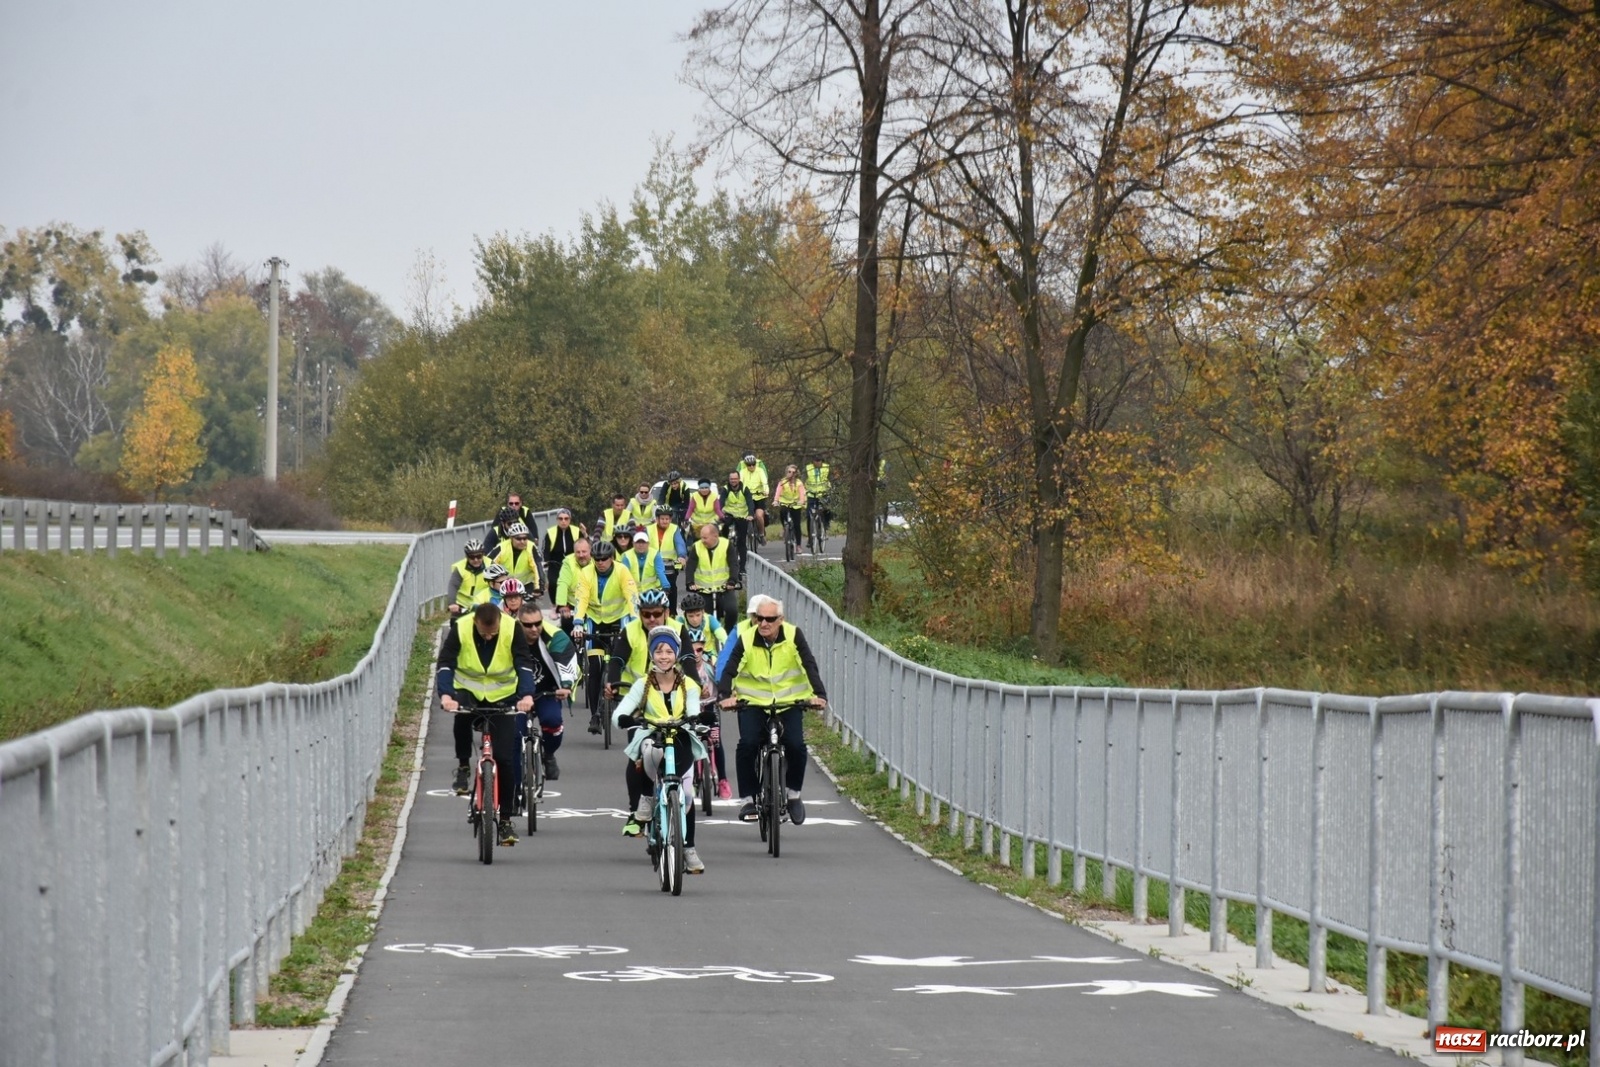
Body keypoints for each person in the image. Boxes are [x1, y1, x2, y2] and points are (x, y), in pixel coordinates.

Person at [716, 593, 828, 827]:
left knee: (797, 745)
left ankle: (794, 794)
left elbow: (809, 663)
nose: (764, 623)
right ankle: (748, 798)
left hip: (789, 701)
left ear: (781, 619)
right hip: (753, 702)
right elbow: (730, 668)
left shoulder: (793, 635)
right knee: (747, 745)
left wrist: (819, 695)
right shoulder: (746, 638)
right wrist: (725, 696)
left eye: (770, 619)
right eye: (760, 618)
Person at [612, 626, 714, 873]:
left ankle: (688, 847)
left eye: (669, 651)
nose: (664, 656)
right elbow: (619, 714)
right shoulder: (642, 684)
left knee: (687, 796)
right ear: (651, 654)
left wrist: (696, 720)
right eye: (659, 651)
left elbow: (692, 709)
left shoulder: (688, 684)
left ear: (677, 654)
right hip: (653, 735)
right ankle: (646, 797)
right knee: (647, 749)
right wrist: (628, 719)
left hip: (680, 736)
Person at [438, 602, 538, 845]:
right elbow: (446, 664)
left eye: (492, 632)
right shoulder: (460, 627)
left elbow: (523, 663)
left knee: (505, 758)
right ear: (475, 622)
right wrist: (446, 695)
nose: (489, 636)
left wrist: (526, 695)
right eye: (484, 632)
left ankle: (505, 820)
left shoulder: (512, 628)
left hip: (502, 696)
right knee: (460, 719)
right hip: (468, 692)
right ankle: (463, 766)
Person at [574, 539, 639, 733]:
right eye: (597, 559)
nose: (600, 562)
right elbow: (581, 598)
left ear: (612, 558)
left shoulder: (622, 571)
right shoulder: (586, 573)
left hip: (618, 620)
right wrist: (578, 622)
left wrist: (635, 620)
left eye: (604, 559)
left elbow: (631, 596)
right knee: (594, 667)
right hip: (595, 622)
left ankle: (625, 703)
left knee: (620, 663)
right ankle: (595, 716)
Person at [517, 601, 576, 780]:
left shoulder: (555, 636)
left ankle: (548, 755)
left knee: (553, 722)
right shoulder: (509, 636)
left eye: (538, 623)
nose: (534, 629)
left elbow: (566, 662)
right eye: (528, 625)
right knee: (513, 733)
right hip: (517, 694)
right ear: (519, 623)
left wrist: (565, 686)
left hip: (547, 691)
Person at [606, 588, 696, 695]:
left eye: (657, 614)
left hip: (668, 691)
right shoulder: (629, 630)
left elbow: (688, 659)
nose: (652, 619)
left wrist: (696, 684)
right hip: (633, 692)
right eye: (646, 614)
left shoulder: (679, 629)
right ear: (640, 614)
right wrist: (612, 683)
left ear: (666, 613)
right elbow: (617, 660)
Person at [683, 522, 737, 633]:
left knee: (732, 610)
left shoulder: (726, 545)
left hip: (724, 588)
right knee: (705, 617)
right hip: (703, 589)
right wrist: (690, 582)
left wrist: (732, 581)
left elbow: (734, 564)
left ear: (715, 536)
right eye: (701, 537)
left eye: (705, 538)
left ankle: (728, 633)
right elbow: (690, 566)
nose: (702, 540)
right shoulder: (697, 547)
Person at [647, 506, 688, 613]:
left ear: (670, 519)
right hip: (652, 564)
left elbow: (679, 543)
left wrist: (681, 556)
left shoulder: (674, 529)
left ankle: (672, 612)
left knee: (671, 587)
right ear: (657, 519)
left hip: (669, 565)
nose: (665, 521)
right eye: (662, 518)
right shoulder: (649, 529)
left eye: (667, 519)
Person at [719, 469, 755, 582]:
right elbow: (721, 502)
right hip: (729, 515)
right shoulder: (725, 489)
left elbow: (750, 502)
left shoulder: (745, 489)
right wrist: (719, 513)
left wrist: (750, 514)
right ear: (729, 480)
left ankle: (742, 568)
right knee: (723, 534)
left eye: (735, 479)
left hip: (742, 517)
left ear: (739, 479)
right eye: (731, 479)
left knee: (741, 542)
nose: (733, 481)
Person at [490, 522, 543, 600]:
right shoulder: (502, 548)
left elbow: (537, 567)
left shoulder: (531, 547)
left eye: (525, 538)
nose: (522, 541)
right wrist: (493, 585)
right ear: (511, 538)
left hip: (526, 585)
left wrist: (538, 588)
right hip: (506, 586)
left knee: (528, 609)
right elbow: (489, 564)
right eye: (518, 538)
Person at [554, 537, 594, 635]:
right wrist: (562, 605)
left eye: (584, 552)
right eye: (578, 552)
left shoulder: (597, 561)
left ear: (590, 551)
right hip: (573, 605)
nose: (581, 555)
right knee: (567, 626)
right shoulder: (568, 562)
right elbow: (562, 583)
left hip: (593, 605)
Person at [446, 539, 491, 617]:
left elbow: (498, 582)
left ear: (483, 554)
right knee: (455, 625)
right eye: (472, 557)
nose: (476, 560)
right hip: (462, 606)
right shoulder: (460, 568)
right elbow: (453, 586)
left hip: (484, 605)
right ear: (466, 556)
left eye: (479, 556)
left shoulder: (490, 565)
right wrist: (452, 603)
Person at [543, 508, 582, 599]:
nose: (563, 521)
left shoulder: (576, 531)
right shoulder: (550, 532)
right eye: (560, 519)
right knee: (553, 583)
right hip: (555, 562)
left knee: (576, 583)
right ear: (557, 520)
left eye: (566, 519)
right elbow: (545, 549)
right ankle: (554, 605)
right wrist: (546, 562)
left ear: (570, 520)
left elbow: (584, 545)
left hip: (573, 562)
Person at [619, 528, 669, 597]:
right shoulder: (626, 556)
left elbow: (660, 572)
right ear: (633, 544)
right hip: (632, 593)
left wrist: (666, 587)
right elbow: (623, 576)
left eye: (643, 542)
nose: (641, 545)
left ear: (648, 544)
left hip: (652, 593)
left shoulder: (655, 554)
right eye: (638, 542)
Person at [772, 464, 807, 548]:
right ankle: (785, 528)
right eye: (789, 472)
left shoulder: (799, 483)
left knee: (797, 525)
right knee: (782, 511)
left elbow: (802, 494)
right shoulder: (782, 482)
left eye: (793, 472)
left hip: (795, 504)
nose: (791, 474)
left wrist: (802, 501)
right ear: (786, 472)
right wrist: (776, 501)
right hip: (785, 503)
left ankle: (798, 545)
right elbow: (778, 492)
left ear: (796, 474)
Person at [739, 453, 771, 543]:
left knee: (759, 515)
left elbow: (764, 482)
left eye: (753, 464)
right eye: (749, 465)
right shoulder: (742, 472)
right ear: (746, 465)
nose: (752, 466)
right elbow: (740, 484)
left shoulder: (760, 471)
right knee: (743, 516)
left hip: (759, 496)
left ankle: (761, 534)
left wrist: (766, 491)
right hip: (747, 497)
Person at [803, 453, 833, 536]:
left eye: (819, 461)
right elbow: (803, 480)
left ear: (822, 461)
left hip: (823, 493)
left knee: (827, 509)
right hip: (811, 494)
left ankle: (826, 524)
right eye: (816, 461)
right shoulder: (808, 468)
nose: (817, 463)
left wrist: (830, 488)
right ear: (812, 461)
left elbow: (831, 478)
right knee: (809, 517)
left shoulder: (826, 468)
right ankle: (810, 537)